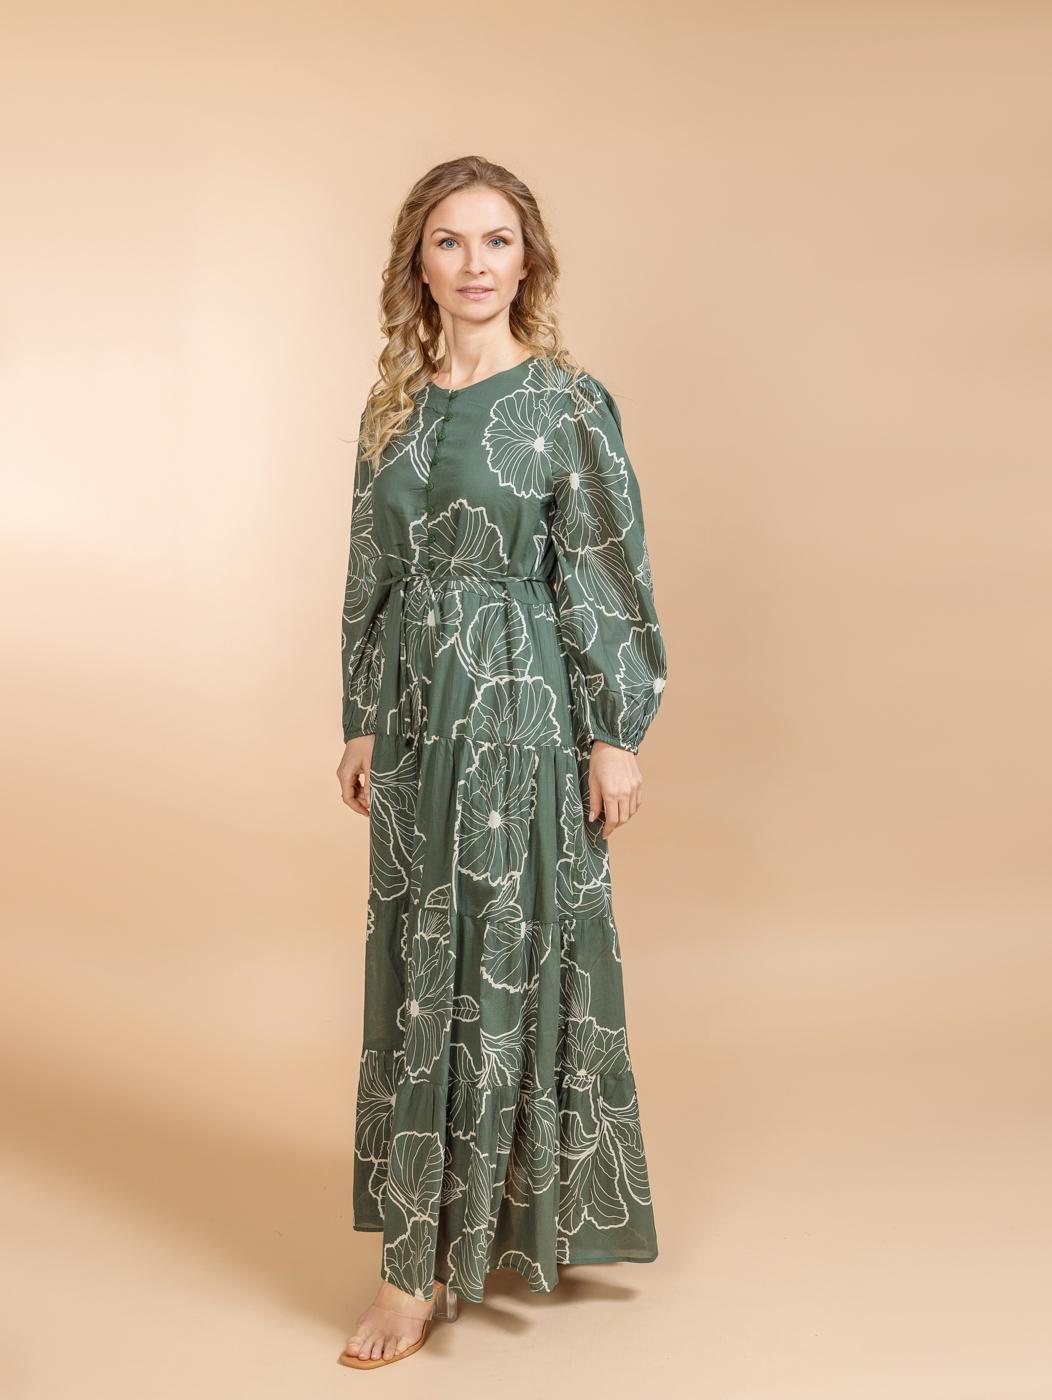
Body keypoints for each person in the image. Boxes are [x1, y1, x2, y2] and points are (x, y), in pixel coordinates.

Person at [335, 155, 669, 1369]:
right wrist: (359, 714)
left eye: (495, 240)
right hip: (414, 717)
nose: (473, 264)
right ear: (416, 264)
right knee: (420, 964)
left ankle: (413, 1270)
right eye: (448, 241)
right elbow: (368, 572)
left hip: (518, 703)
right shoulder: (391, 406)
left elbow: (603, 564)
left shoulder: (565, 402)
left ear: (527, 261)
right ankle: (440, 1231)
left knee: (501, 952)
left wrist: (613, 729)